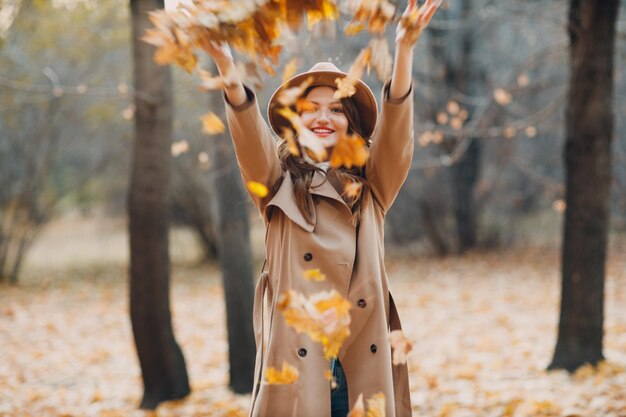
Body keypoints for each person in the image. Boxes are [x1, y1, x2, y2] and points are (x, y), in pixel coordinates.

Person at [201, 1, 441, 415]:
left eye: (336, 110)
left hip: (356, 362)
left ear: (351, 121)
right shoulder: (276, 185)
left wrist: (404, 49)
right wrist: (226, 63)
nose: (323, 118)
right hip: (298, 360)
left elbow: (397, 132)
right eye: (311, 109)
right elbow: (247, 131)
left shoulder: (371, 187)